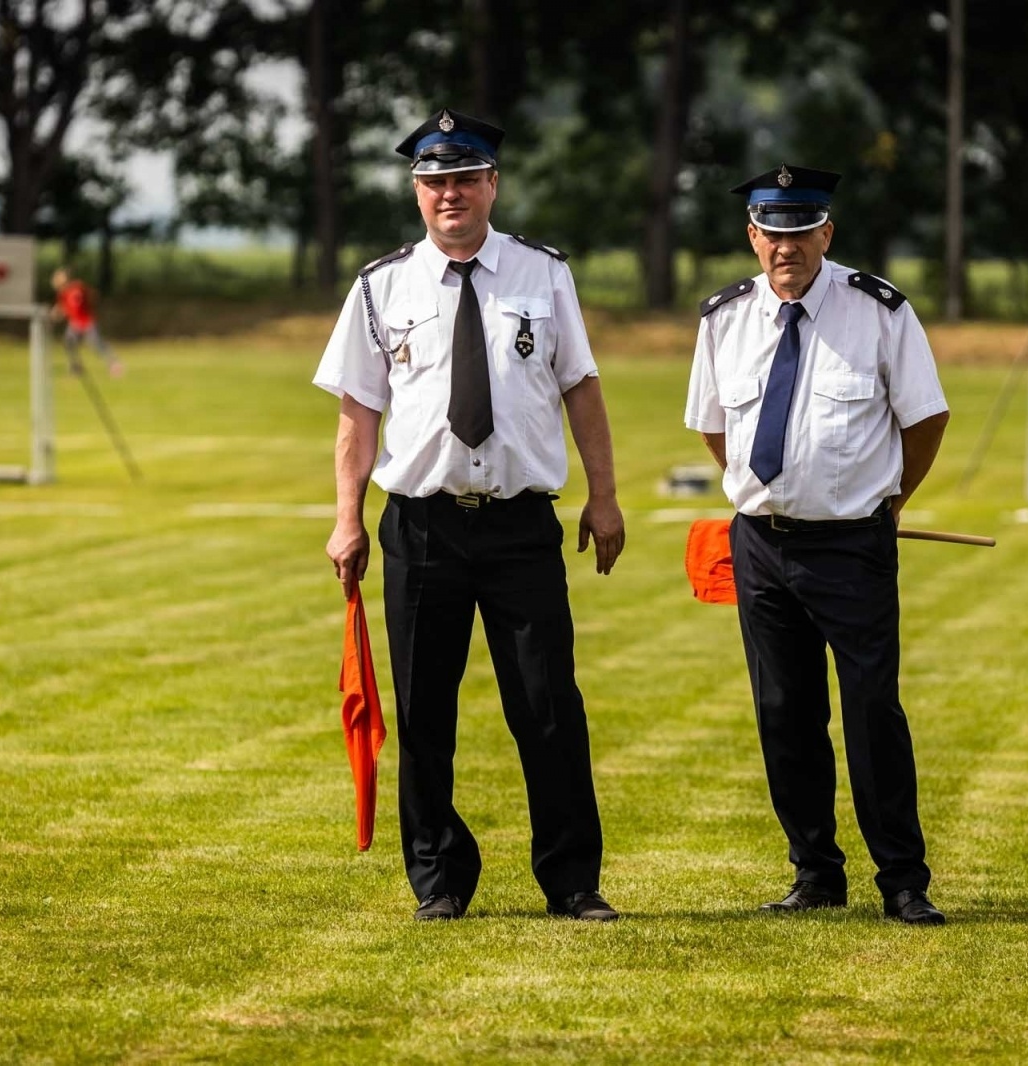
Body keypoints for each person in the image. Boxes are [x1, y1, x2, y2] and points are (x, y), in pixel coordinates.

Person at [315, 108, 627, 923]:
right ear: (417, 193)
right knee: (425, 714)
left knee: (548, 705)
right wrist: (346, 517)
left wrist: (605, 493)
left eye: (463, 178)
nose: (448, 193)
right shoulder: (381, 286)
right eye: (433, 181)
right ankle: (440, 880)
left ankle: (572, 881)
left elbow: (580, 387)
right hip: (421, 525)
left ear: (493, 183)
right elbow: (358, 410)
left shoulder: (543, 273)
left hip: (522, 525)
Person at [683, 164, 951, 926]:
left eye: (801, 231)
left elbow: (925, 418)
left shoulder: (879, 311)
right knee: (784, 712)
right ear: (752, 236)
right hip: (762, 546)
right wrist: (765, 494)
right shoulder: (724, 319)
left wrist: (892, 499)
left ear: (826, 233)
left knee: (872, 711)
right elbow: (714, 427)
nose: (786, 247)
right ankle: (815, 874)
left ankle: (902, 881)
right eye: (772, 231)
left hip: (852, 547)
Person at [51, 268, 123, 378]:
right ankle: (75, 367)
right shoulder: (62, 294)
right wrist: (56, 313)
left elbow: (90, 297)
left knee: (95, 343)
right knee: (68, 342)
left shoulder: (78, 287)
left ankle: (113, 363)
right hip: (74, 323)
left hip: (87, 321)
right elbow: (63, 307)